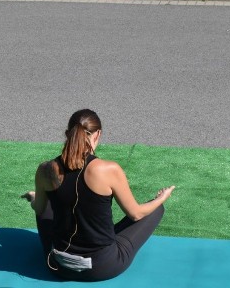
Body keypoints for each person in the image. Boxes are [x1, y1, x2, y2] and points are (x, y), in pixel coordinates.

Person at [25, 109, 175, 282]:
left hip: (58, 266)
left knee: (43, 206)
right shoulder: (107, 170)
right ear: (97, 135)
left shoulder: (45, 169)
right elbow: (136, 214)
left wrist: (36, 199)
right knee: (156, 210)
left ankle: (36, 195)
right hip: (102, 267)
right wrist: (161, 198)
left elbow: (39, 209)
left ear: (67, 134)